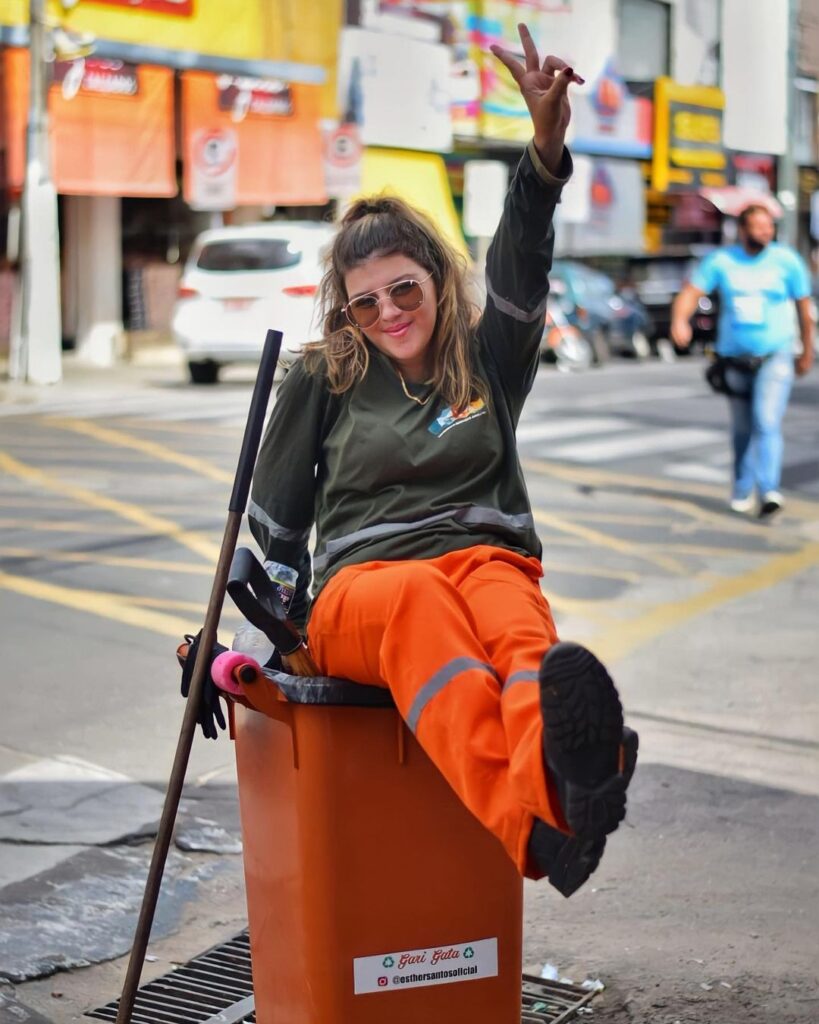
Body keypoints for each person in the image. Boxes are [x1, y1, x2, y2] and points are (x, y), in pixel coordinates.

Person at [248, 23, 638, 898]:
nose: (387, 311)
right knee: (421, 599)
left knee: (516, 624)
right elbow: (272, 531)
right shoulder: (322, 376)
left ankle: (563, 796)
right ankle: (533, 826)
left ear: (434, 275)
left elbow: (522, 260)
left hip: (485, 558)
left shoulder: (487, 358)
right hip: (363, 589)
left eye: (403, 288)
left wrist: (544, 147)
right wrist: (235, 646)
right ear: (346, 312)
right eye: (365, 302)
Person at [671, 205, 814, 517]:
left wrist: (807, 350)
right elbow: (691, 293)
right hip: (734, 359)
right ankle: (741, 488)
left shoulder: (786, 261)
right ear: (742, 229)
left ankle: (769, 491)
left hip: (775, 356)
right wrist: (680, 320)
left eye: (769, 227)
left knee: (766, 420)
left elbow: (804, 309)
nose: (765, 232)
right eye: (758, 226)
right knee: (742, 428)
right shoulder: (722, 261)